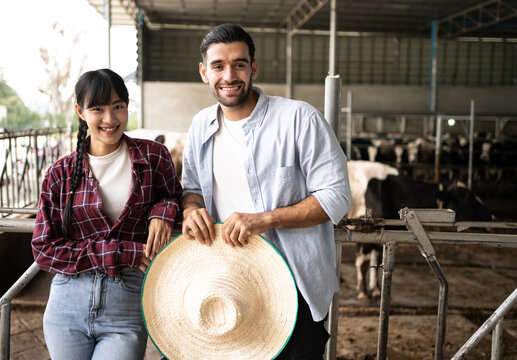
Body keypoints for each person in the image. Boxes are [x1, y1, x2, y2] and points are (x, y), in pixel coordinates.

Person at [181, 24, 351, 359]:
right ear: (204, 72)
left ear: (253, 67)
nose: (229, 75)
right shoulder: (201, 125)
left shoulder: (299, 119)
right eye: (218, 66)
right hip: (227, 284)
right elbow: (192, 189)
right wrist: (190, 210)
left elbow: (336, 196)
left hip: (294, 286)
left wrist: (265, 219)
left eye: (239, 64)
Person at [31, 68, 182, 360]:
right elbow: (44, 248)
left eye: (118, 107)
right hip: (67, 302)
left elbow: (173, 195)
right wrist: (123, 252)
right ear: (80, 111)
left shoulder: (154, 156)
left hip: (126, 303)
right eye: (98, 109)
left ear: (127, 106)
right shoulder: (60, 173)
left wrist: (163, 212)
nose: (110, 119)